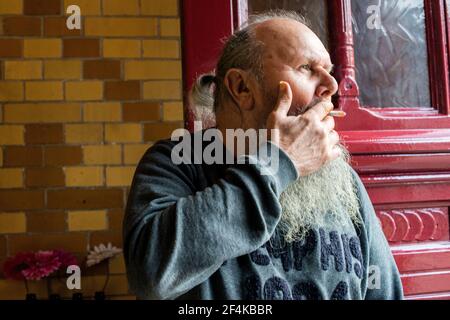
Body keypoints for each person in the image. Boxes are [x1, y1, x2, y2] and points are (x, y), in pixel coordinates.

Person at [123, 10, 404, 300]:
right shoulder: (178, 162)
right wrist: (281, 162)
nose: (332, 86)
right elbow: (151, 276)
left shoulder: (343, 180)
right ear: (242, 88)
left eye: (329, 71)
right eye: (307, 68)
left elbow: (385, 293)